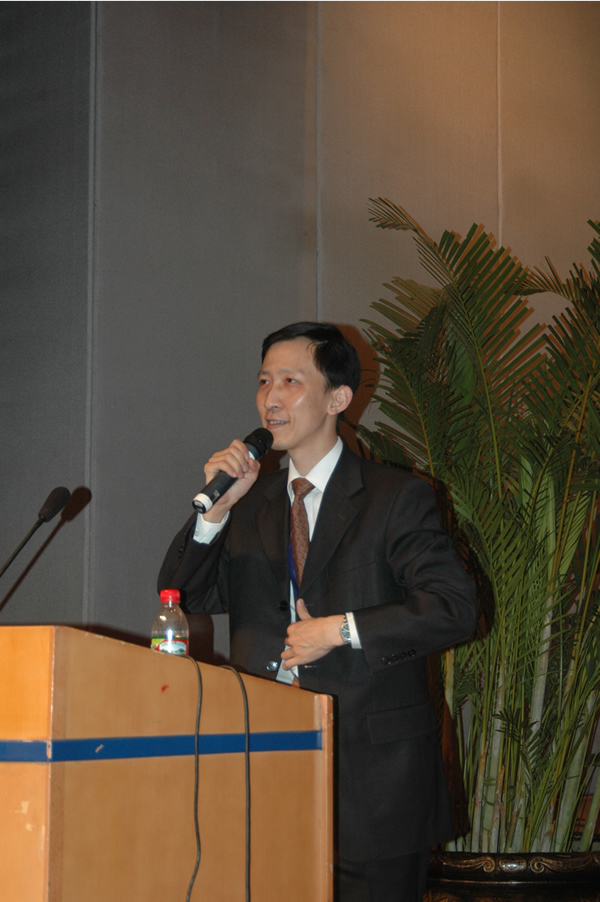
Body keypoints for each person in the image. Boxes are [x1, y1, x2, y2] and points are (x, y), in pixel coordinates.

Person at [158, 322, 477, 901]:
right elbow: (182, 594)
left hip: (373, 783)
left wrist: (341, 630)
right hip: (265, 769)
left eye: (290, 381)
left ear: (338, 398)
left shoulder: (394, 497)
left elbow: (453, 607)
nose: (271, 398)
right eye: (264, 381)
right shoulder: (250, 505)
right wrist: (216, 511)